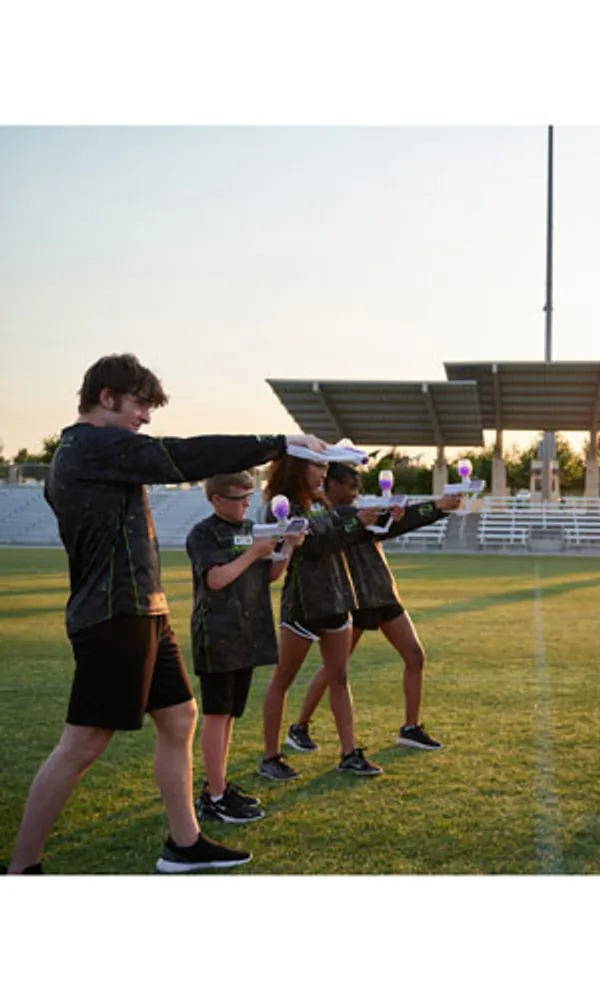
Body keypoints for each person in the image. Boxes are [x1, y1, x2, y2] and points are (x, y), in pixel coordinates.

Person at [2, 353, 328, 874]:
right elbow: (181, 456)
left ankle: (184, 843)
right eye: (139, 405)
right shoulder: (90, 445)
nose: (146, 417)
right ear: (106, 397)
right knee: (83, 743)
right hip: (113, 614)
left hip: (142, 610)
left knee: (179, 717)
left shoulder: (93, 452)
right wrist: (278, 444)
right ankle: (21, 868)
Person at [286, 463, 461, 755]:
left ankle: (410, 728)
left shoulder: (358, 514)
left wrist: (437, 508)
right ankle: (300, 726)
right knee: (334, 670)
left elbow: (398, 523)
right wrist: (437, 505)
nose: (356, 493)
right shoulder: (331, 516)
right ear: (330, 485)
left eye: (358, 487)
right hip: (352, 599)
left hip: (381, 594)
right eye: (349, 486)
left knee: (415, 656)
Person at [186, 471, 304, 823]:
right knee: (216, 714)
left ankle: (218, 786)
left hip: (247, 632)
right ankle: (215, 796)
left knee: (231, 715)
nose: (246, 505)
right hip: (217, 633)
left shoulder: (251, 527)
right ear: (217, 500)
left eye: (249, 498)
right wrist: (254, 551)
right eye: (239, 499)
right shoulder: (203, 533)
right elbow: (216, 578)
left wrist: (287, 547)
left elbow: (269, 575)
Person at [257, 453, 383, 782]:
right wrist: (358, 522)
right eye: (318, 467)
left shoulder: (321, 503)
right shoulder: (283, 504)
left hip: (338, 599)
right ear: (299, 467)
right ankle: (271, 756)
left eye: (326, 468)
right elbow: (315, 546)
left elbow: (341, 534)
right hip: (304, 603)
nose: (323, 474)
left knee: (339, 678)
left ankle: (349, 753)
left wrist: (370, 520)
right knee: (283, 679)